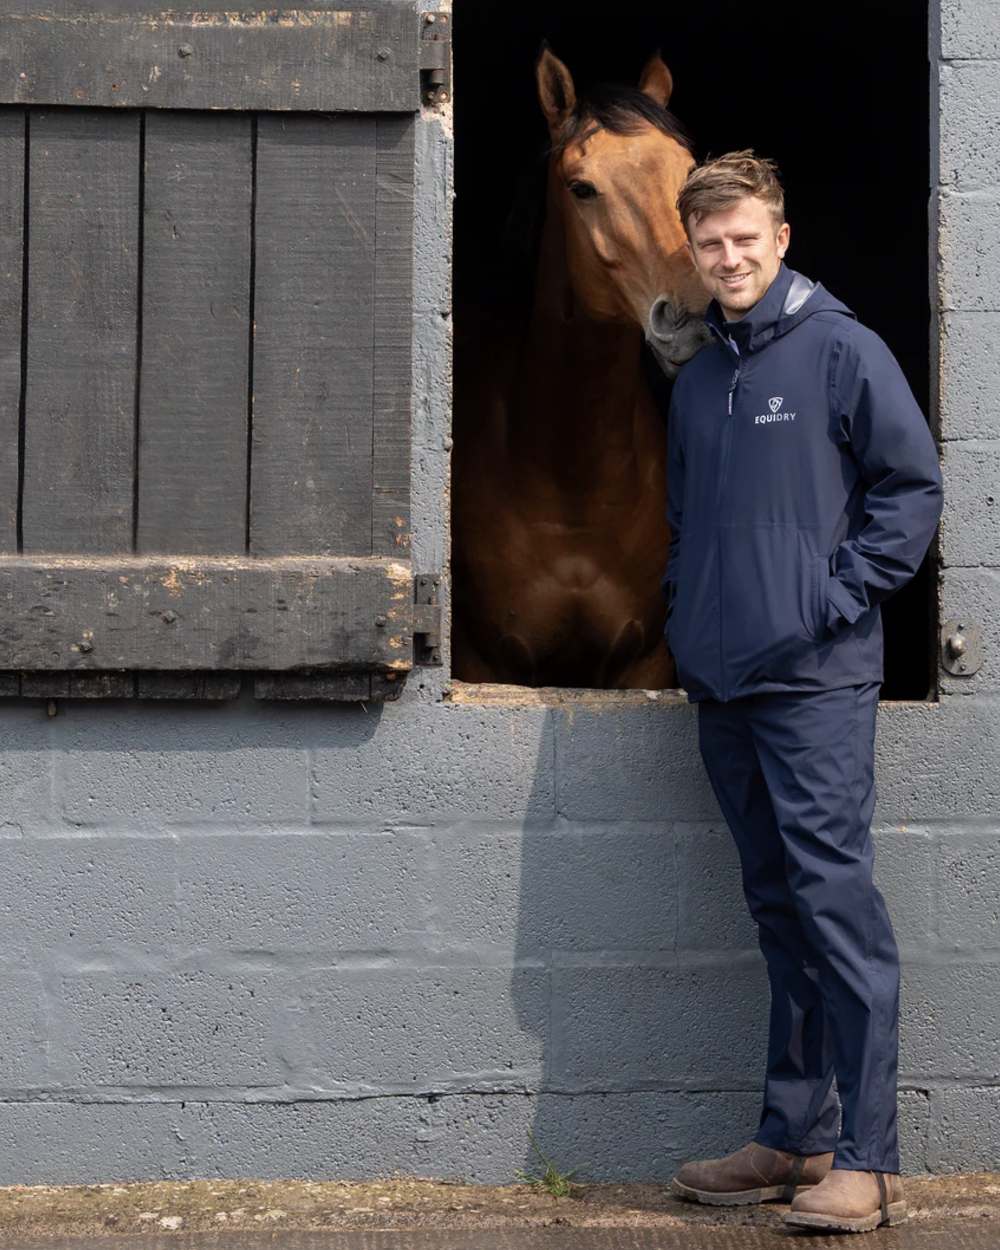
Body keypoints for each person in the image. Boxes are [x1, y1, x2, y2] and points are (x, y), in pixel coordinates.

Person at [661, 150, 943, 1235]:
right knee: (778, 910)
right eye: (708, 244)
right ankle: (793, 1134)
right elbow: (685, 524)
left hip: (816, 680)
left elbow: (910, 489)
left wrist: (833, 599)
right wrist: (689, 619)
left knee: (836, 909)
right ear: (690, 251)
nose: (727, 258)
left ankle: (865, 1162)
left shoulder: (840, 351)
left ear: (779, 239)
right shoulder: (698, 376)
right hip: (724, 684)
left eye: (745, 239)